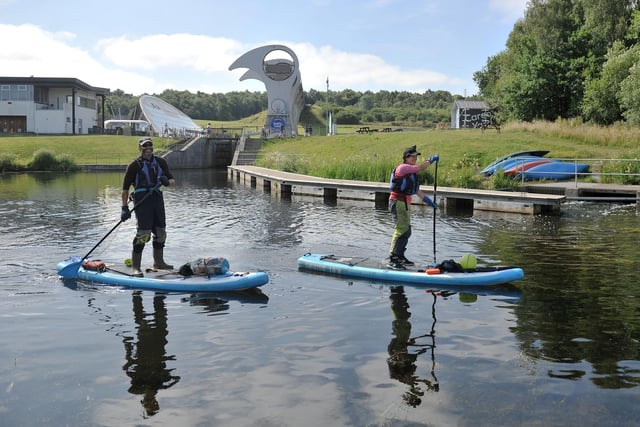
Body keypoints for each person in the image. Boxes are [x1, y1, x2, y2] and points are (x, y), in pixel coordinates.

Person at [121, 137, 175, 277]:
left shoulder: (161, 162)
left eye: (150, 146)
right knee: (144, 234)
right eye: (145, 146)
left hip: (157, 199)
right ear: (140, 148)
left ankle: (159, 262)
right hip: (142, 201)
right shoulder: (134, 165)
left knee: (161, 232)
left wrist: (166, 182)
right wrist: (124, 208)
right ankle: (136, 267)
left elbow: (172, 181)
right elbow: (125, 189)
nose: (148, 149)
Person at [388, 145, 439, 270]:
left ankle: (400, 256)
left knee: (407, 230)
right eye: (413, 156)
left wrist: (429, 201)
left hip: (405, 203)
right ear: (406, 158)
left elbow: (416, 190)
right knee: (401, 229)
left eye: (416, 156)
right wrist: (430, 160)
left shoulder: (410, 173)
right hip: (397, 202)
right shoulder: (403, 168)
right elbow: (421, 168)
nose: (415, 158)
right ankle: (393, 258)